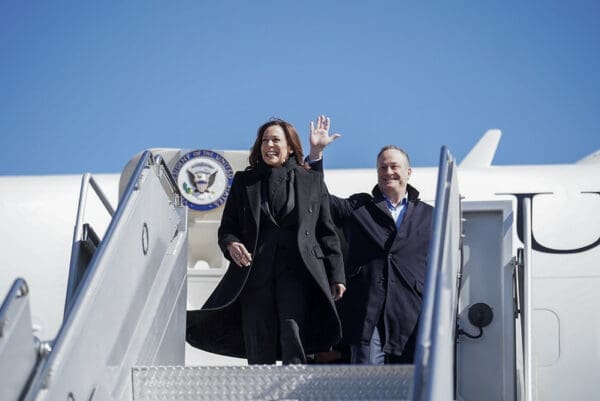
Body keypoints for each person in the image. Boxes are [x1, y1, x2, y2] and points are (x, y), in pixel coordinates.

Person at [186, 118, 346, 365]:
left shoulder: (311, 180)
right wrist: (231, 244)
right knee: (258, 338)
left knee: (293, 333)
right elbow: (227, 229)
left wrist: (337, 274)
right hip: (254, 276)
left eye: (275, 140)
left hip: (298, 274)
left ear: (290, 147)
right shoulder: (244, 181)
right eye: (264, 140)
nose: (269, 145)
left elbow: (326, 231)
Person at [307, 115, 433, 364]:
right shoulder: (360, 206)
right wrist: (316, 155)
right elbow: (319, 200)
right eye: (382, 167)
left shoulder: (430, 216)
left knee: (410, 388)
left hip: (412, 313)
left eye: (394, 166)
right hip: (368, 313)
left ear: (408, 172)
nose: (388, 172)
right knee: (367, 382)